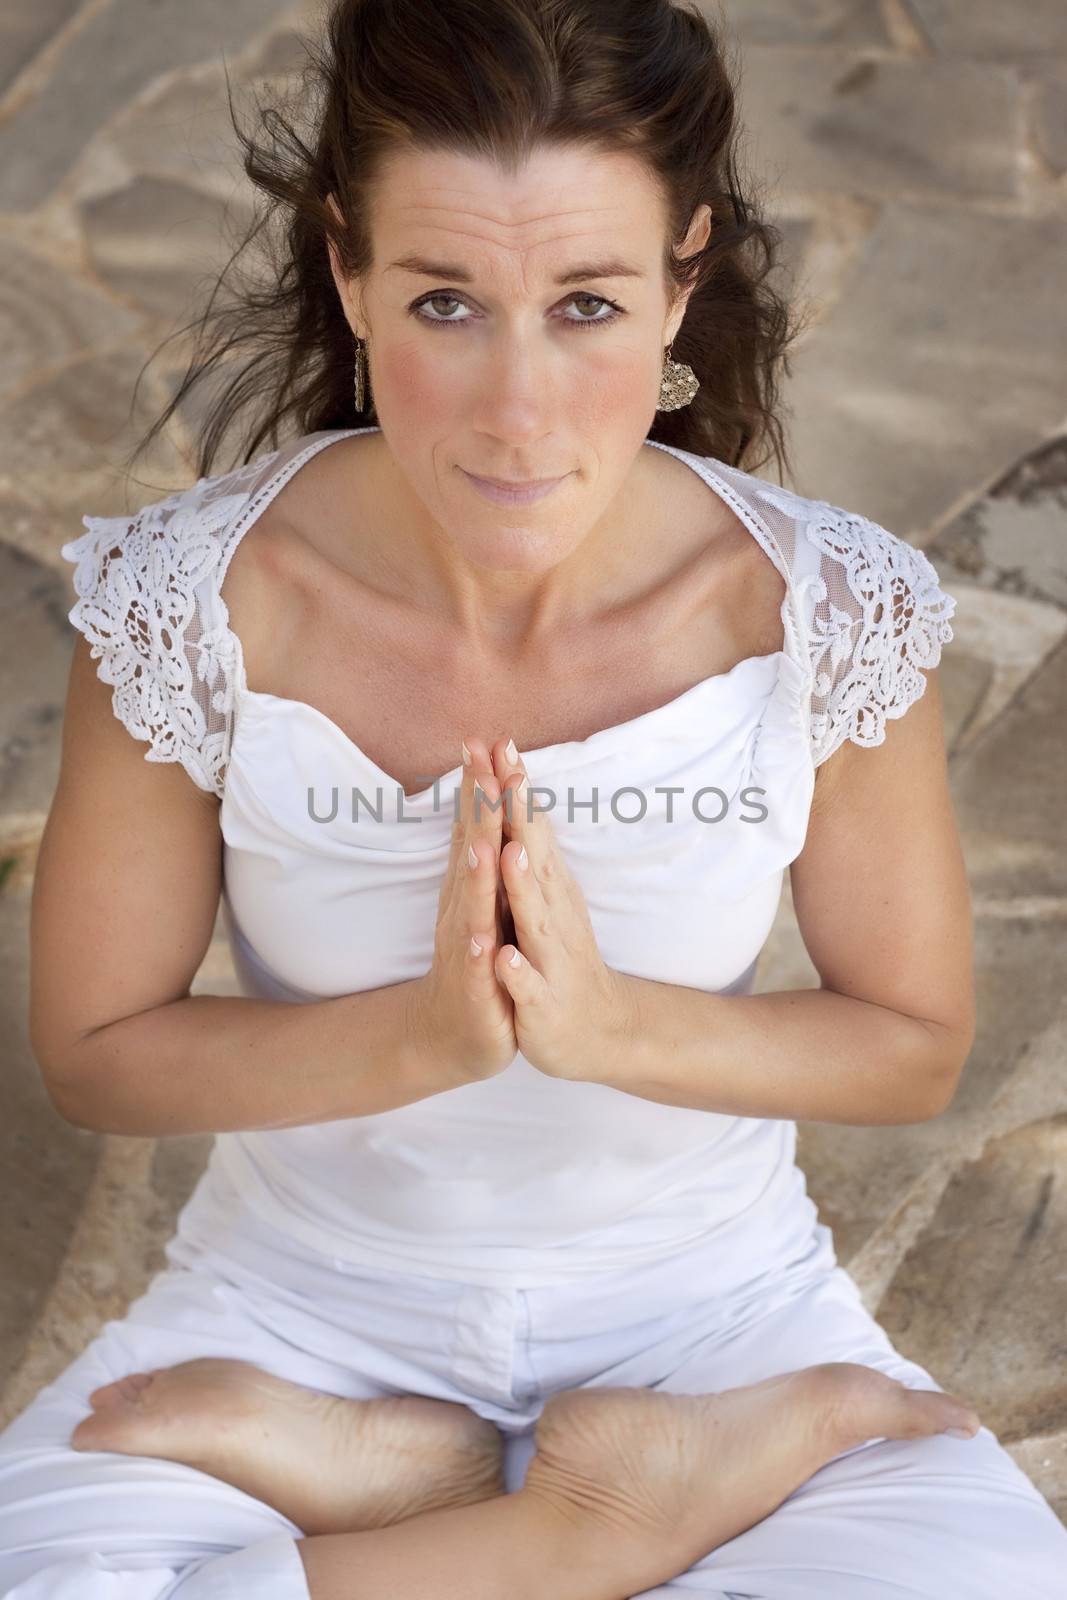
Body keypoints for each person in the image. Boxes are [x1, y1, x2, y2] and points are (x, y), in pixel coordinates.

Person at [3, 1, 1065, 1596]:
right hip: (298, 1320)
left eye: (584, 305)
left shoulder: (824, 609)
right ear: (350, 271)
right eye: (447, 302)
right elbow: (96, 1055)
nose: (517, 408)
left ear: (682, 279)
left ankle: (495, 1502)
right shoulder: (194, 601)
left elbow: (911, 1045)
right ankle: (572, 1520)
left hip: (715, 1328)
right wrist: (426, 1039)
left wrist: (609, 1028)